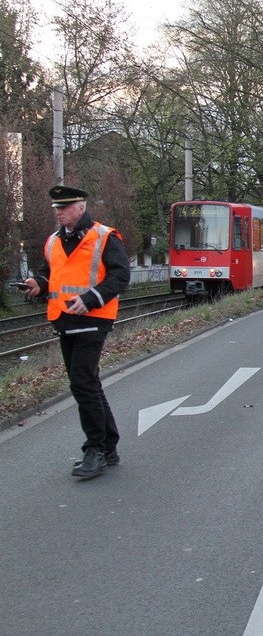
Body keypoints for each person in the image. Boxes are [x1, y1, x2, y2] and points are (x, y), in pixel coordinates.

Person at [23, 185, 131, 480]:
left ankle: (94, 448)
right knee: (87, 383)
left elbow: (121, 275)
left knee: (82, 383)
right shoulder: (54, 240)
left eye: (64, 207)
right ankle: (108, 448)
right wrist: (39, 284)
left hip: (94, 318)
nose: (59, 212)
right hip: (64, 319)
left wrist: (92, 298)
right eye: (56, 208)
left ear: (81, 207)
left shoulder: (103, 236)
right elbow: (51, 273)